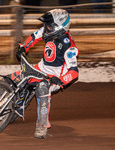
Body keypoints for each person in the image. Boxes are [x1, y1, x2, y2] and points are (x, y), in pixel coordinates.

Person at [9, 9, 79, 139]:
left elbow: (74, 72)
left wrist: (62, 81)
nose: (45, 28)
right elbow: (35, 37)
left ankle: (42, 126)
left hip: (55, 77)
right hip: (40, 68)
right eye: (46, 25)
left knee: (42, 88)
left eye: (49, 26)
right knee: (12, 78)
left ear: (60, 27)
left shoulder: (68, 46)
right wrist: (24, 47)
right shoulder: (49, 31)